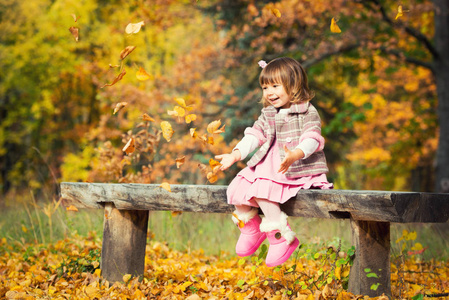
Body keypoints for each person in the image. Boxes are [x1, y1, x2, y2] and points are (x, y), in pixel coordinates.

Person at [215, 57, 333, 267]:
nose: (269, 92)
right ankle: (251, 228)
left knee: (262, 189)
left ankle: (280, 237)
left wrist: (296, 153)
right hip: (267, 165)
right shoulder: (268, 113)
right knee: (236, 188)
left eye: (275, 86)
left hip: (293, 165)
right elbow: (254, 135)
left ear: (293, 85)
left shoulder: (307, 112)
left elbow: (312, 138)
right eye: (265, 87)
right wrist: (235, 154)